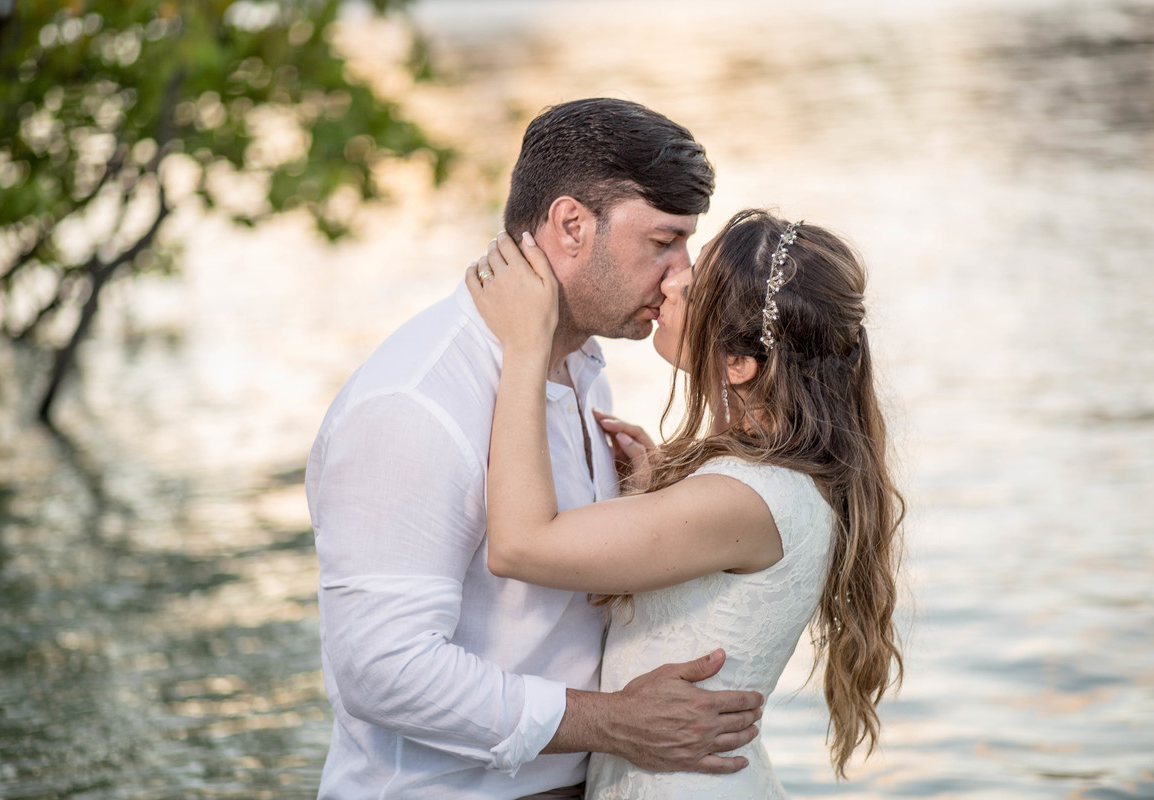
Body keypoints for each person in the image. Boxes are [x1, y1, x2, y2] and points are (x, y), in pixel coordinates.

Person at [305, 98, 766, 800]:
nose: (681, 274)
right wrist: (612, 723)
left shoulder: (579, 367)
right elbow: (382, 670)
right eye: (661, 243)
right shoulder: (415, 404)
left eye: (685, 245)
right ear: (572, 226)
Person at [466, 208, 905, 798]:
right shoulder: (774, 480)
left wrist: (526, 345)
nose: (671, 281)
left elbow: (521, 545)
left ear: (738, 363)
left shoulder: (740, 499)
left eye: (694, 288)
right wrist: (655, 494)